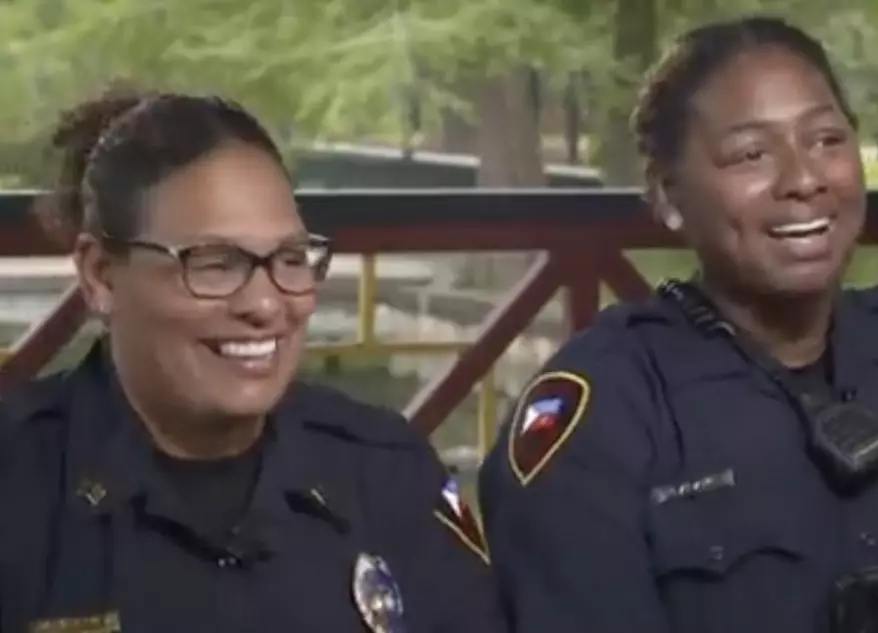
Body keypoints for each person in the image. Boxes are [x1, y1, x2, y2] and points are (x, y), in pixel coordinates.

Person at [479, 15, 878, 633]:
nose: (804, 179)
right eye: (751, 154)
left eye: (826, 139)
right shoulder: (606, 415)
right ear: (667, 195)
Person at [0, 86, 507, 633]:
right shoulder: (20, 487)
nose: (266, 304)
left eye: (289, 259)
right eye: (215, 264)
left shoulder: (388, 473)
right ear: (101, 275)